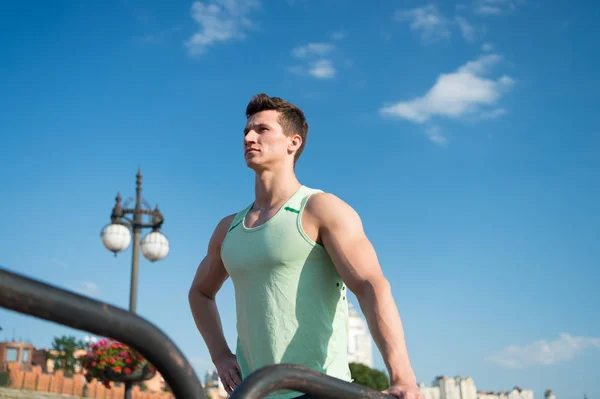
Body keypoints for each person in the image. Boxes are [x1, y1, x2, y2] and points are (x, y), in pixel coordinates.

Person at [188, 93, 422, 399]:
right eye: (246, 131)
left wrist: (402, 376)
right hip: (252, 391)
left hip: (319, 389)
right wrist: (219, 355)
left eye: (262, 129)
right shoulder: (228, 228)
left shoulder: (320, 209)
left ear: (293, 142)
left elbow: (370, 286)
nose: (248, 137)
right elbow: (200, 293)